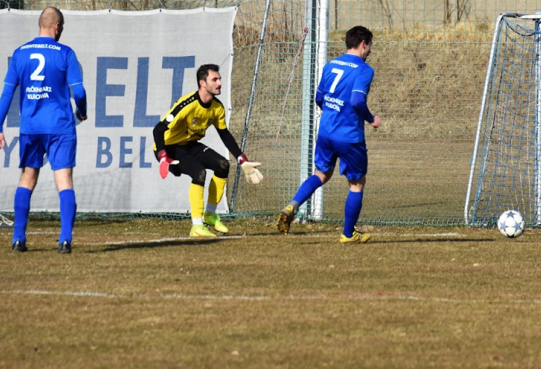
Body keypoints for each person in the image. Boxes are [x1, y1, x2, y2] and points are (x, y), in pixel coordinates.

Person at [0, 7, 88, 254]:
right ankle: (65, 239)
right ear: (57, 27)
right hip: (60, 127)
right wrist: (82, 110)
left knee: (27, 178)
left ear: (39, 24)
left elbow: (7, 93)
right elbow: (79, 92)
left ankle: (18, 239)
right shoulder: (65, 53)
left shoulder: (20, 53)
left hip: (31, 127)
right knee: (64, 180)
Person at [276, 26, 381, 244]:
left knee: (321, 174)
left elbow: (319, 98)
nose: (370, 50)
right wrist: (371, 119)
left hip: (325, 131)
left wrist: (333, 111)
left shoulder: (331, 64)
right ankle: (348, 234)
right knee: (356, 183)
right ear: (363, 44)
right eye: (369, 45)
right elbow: (357, 100)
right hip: (349, 135)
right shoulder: (364, 69)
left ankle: (292, 205)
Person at [153, 64, 263, 237]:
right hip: (168, 147)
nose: (219, 83)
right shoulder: (186, 104)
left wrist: (242, 159)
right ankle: (196, 226)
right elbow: (158, 130)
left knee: (223, 165)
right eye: (215, 79)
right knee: (199, 173)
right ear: (202, 83)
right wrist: (162, 156)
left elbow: (225, 135)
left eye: (219, 79)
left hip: (189, 144)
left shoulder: (217, 107)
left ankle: (210, 214)